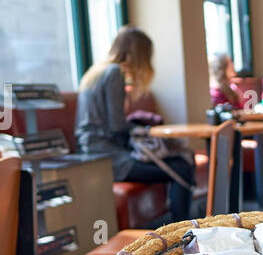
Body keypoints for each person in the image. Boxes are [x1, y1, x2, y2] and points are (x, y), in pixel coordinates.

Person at [75, 26, 194, 221]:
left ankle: (179, 227)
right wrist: (144, 130)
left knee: (180, 165)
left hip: (93, 154)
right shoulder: (115, 73)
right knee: (183, 167)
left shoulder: (95, 72)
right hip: (110, 159)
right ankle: (182, 230)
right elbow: (117, 125)